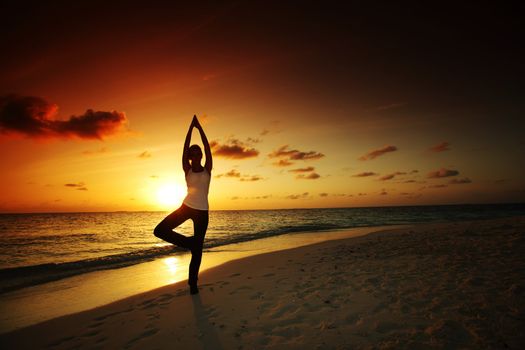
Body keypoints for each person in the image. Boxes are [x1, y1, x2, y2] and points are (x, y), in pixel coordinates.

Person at [154, 115, 212, 295]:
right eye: (192, 153)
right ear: (189, 156)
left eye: (197, 153)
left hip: (202, 212)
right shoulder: (186, 169)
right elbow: (184, 147)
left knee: (198, 252)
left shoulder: (208, 168)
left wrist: (199, 128)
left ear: (201, 155)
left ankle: (192, 283)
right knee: (160, 230)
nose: (195, 155)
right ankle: (189, 243)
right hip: (186, 207)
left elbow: (208, 147)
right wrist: (190, 128)